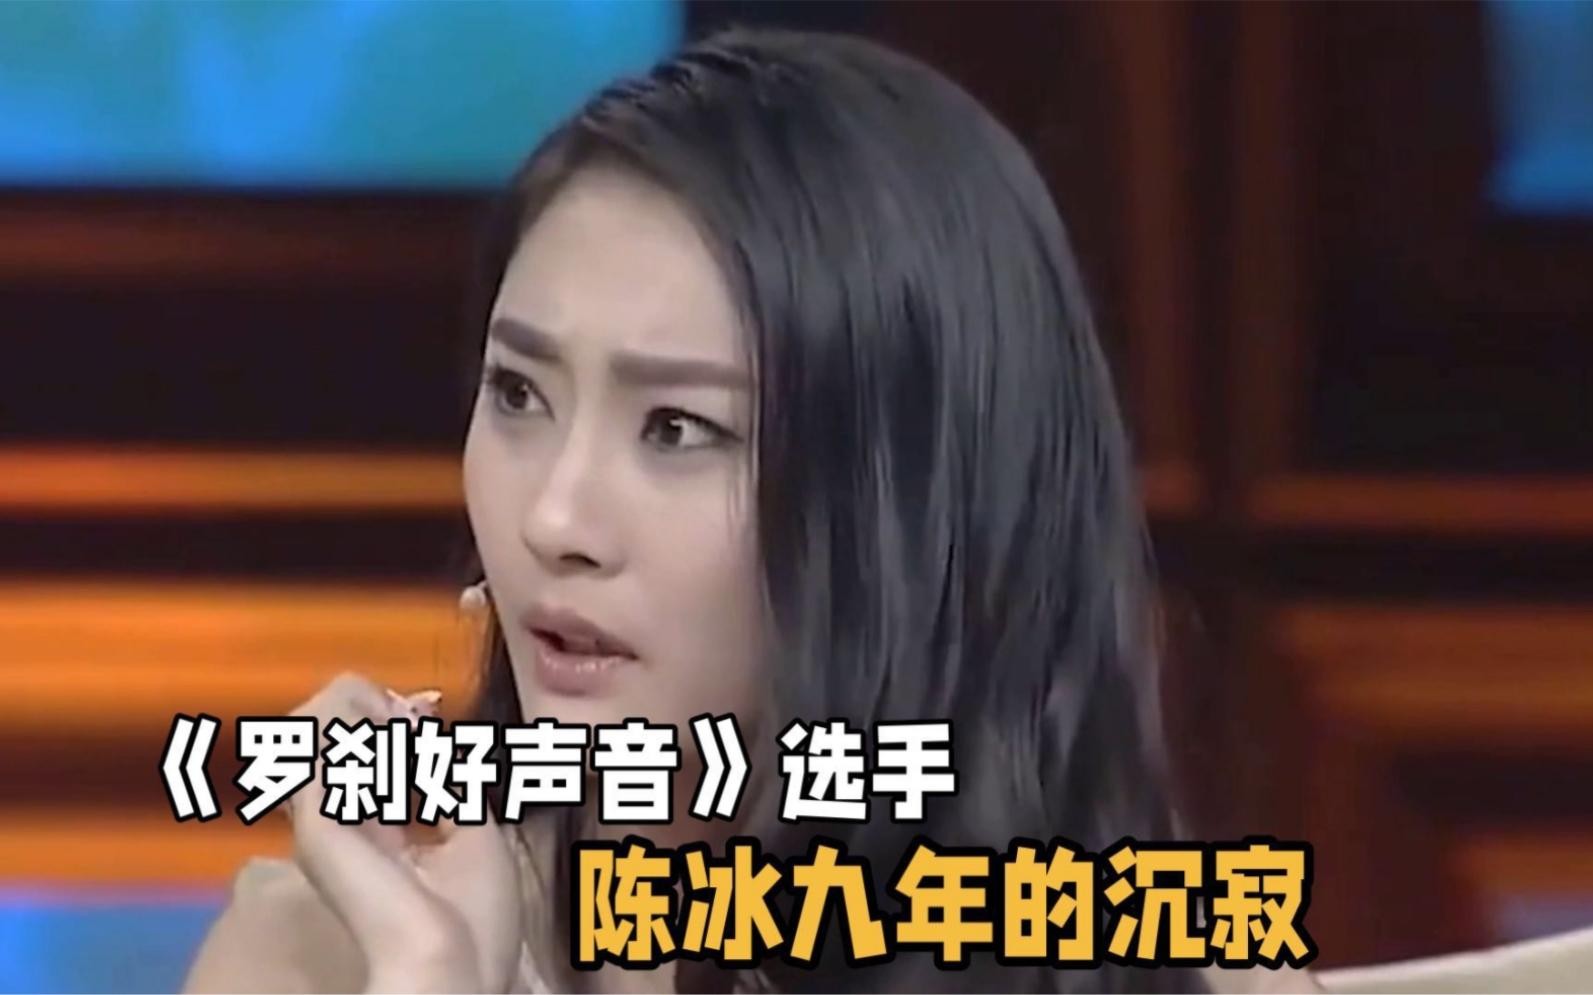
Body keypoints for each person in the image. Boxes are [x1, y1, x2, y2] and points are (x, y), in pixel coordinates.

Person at [184, 28, 1318, 994]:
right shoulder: (321, 954)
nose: (553, 519)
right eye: (519, 393)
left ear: (907, 506)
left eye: (677, 428)